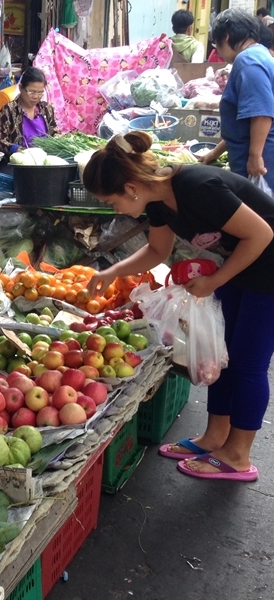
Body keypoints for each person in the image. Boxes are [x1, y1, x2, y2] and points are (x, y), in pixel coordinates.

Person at [83, 131, 274, 483]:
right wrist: (111, 271)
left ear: (130, 188)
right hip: (244, 263)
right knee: (224, 353)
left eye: (112, 202)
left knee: (248, 362)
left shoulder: (197, 186)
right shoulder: (157, 200)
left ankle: (238, 455)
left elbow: (262, 234)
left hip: (268, 263)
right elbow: (157, 251)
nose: (116, 210)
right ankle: (216, 437)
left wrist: (215, 281)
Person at [199, 8, 274, 191]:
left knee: (260, 214)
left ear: (226, 37)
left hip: (261, 163)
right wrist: (215, 153)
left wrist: (255, 157)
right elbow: (243, 123)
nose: (218, 51)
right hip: (259, 156)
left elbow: (261, 113)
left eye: (216, 44)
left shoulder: (247, 61)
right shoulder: (260, 54)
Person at [0, 67, 60, 165]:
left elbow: (54, 133)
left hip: (43, 164)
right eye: (31, 92)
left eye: (40, 92)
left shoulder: (46, 109)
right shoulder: (9, 110)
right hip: (16, 165)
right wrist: (16, 149)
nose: (36, 96)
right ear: (21, 88)